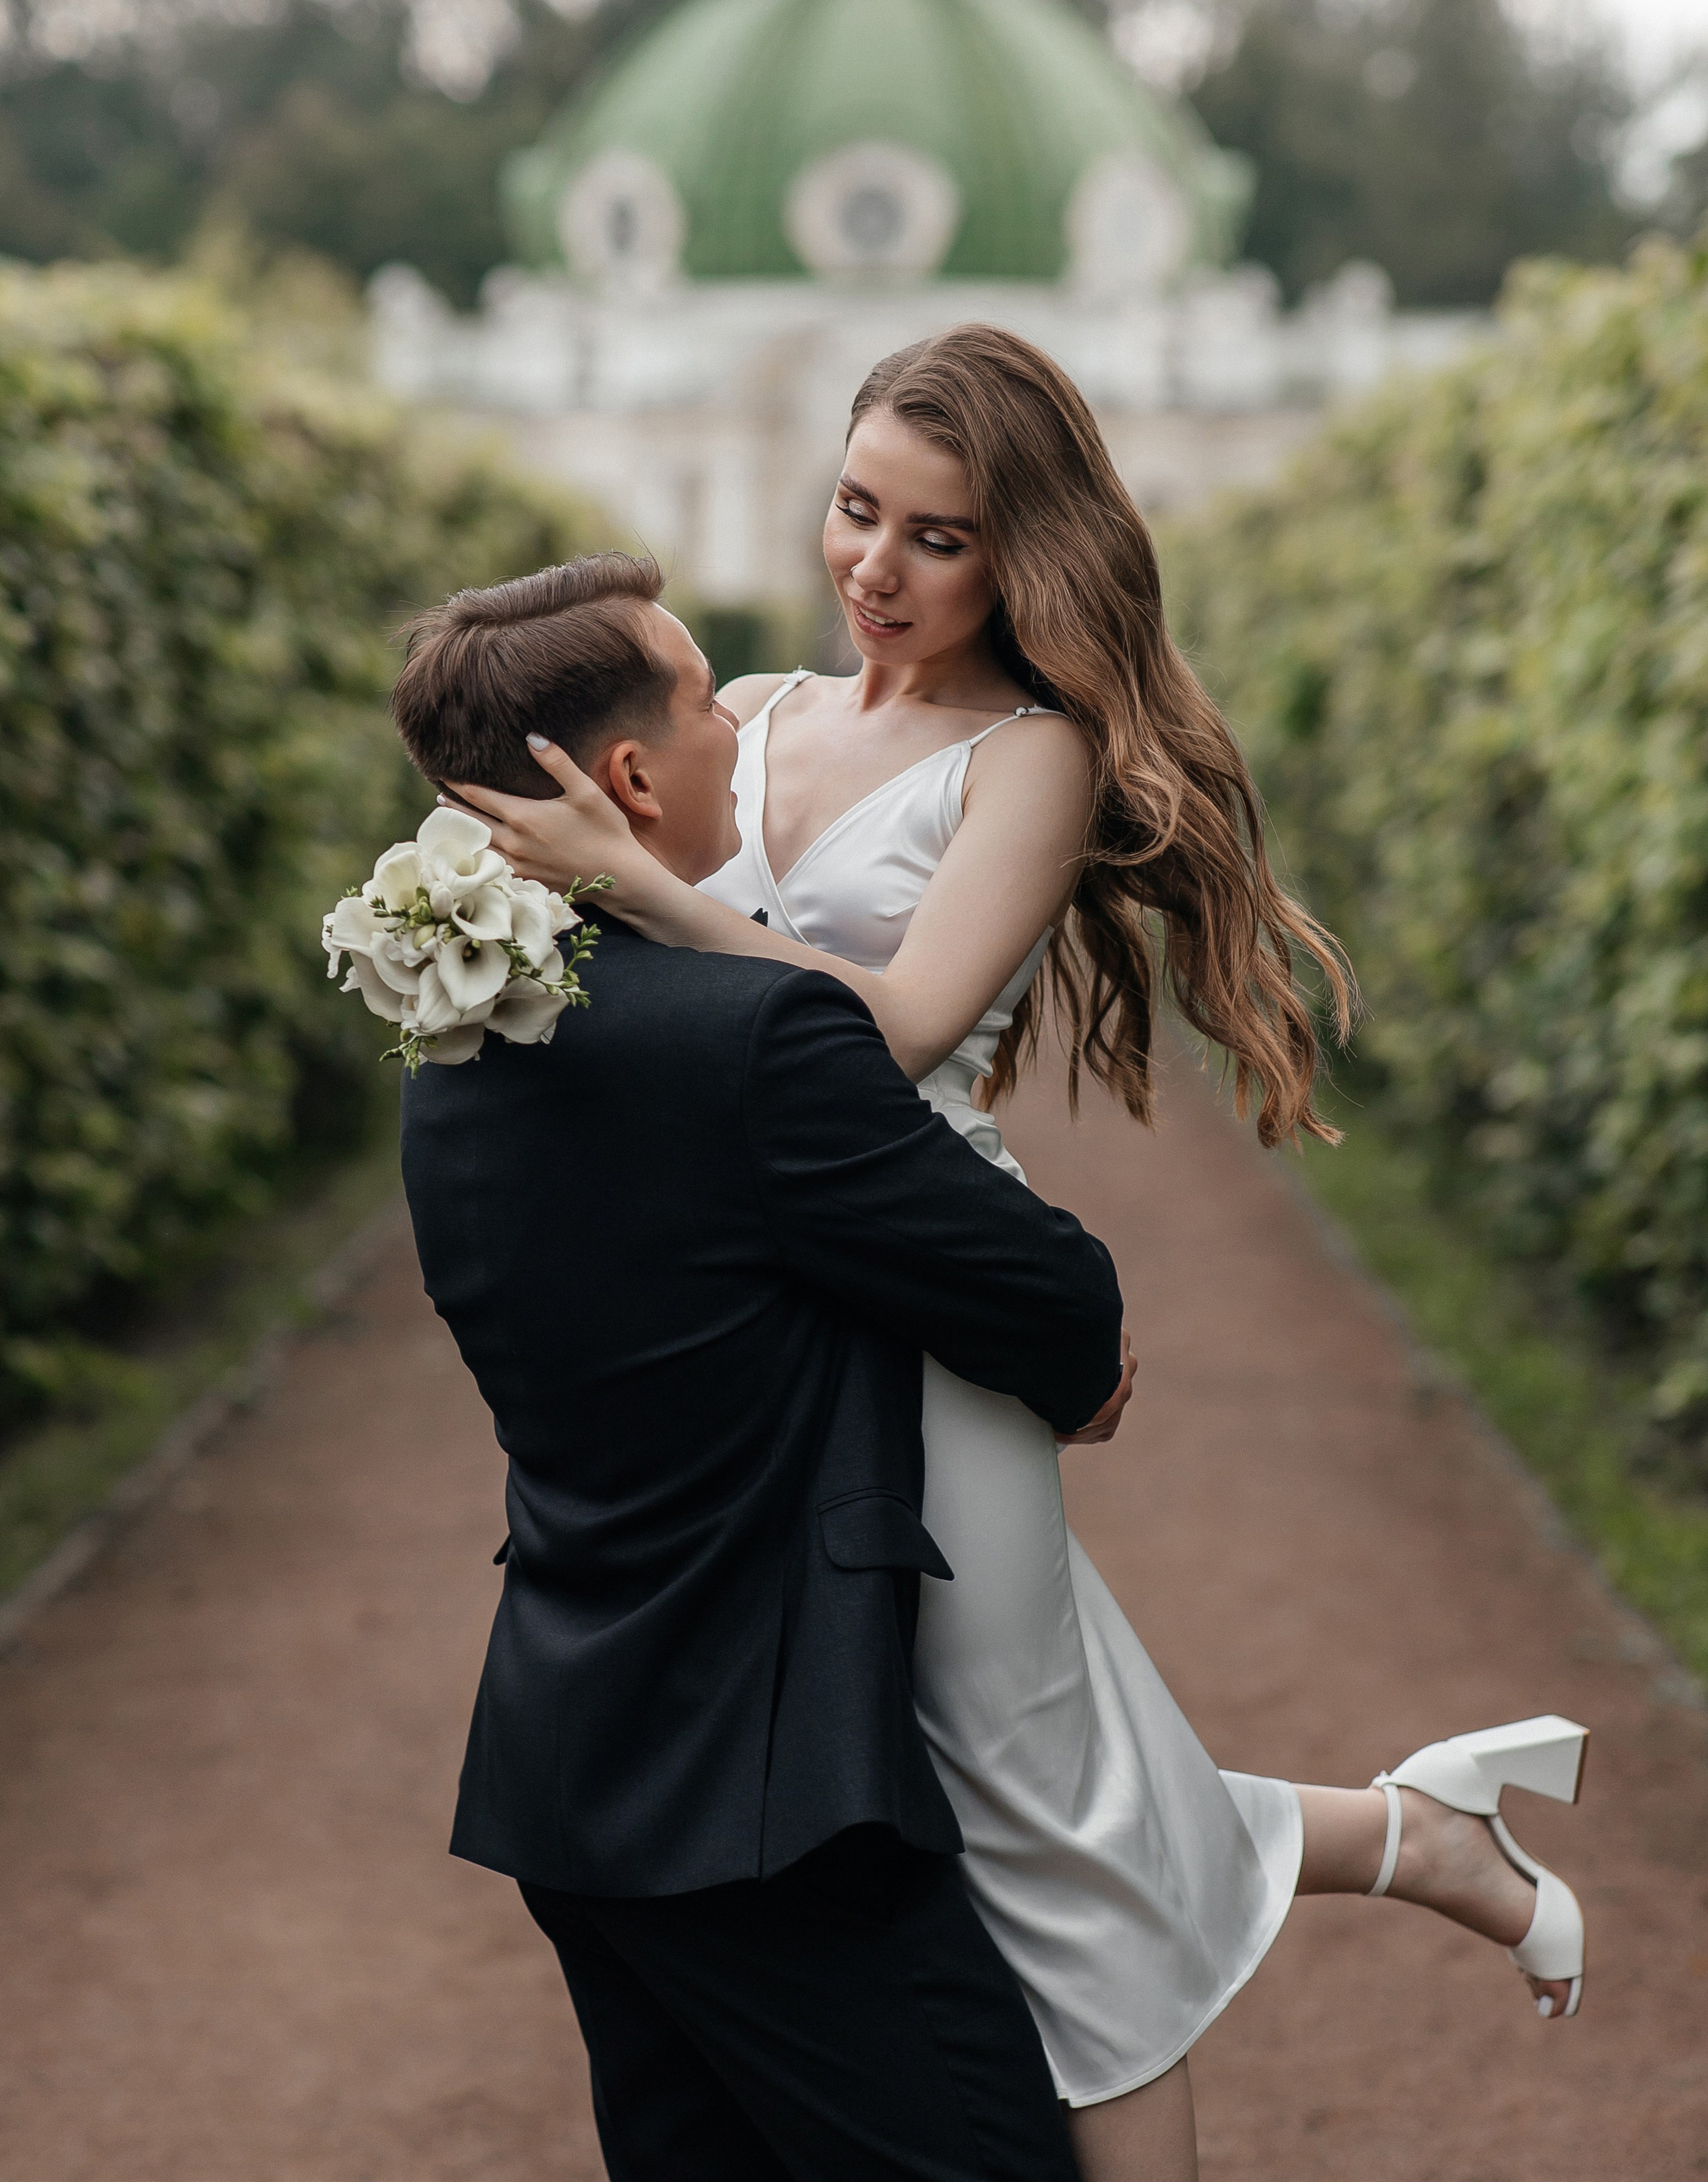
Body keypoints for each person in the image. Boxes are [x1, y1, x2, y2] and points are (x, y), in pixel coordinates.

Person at [445, 327, 1587, 2182]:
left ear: (1023, 558)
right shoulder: (753, 713)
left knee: (1041, 1812)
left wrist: (645, 894)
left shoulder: (1032, 761)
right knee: (916, 1769)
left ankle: (1407, 1852)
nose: (876, 569)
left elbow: (888, 1034)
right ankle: (1409, 1833)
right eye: (854, 509)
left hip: (931, 1295)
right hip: (756, 1310)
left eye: (941, 538)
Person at [391, 555, 1138, 2182]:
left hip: (574, 1772)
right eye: (699, 696)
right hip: (777, 1800)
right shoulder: (751, 1042)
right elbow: (1060, 1307)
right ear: (637, 778)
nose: (742, 723)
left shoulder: (454, 1053)